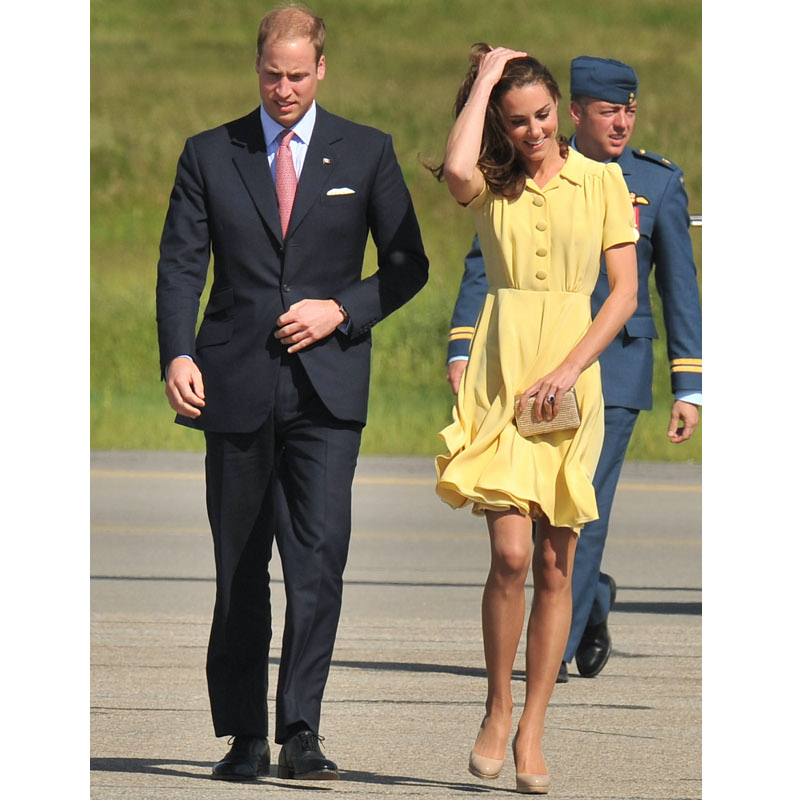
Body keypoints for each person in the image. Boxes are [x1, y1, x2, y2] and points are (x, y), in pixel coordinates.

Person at [156, 3, 428, 782]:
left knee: (316, 562)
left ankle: (301, 728)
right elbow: (181, 265)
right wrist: (178, 352)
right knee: (239, 564)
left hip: (327, 393)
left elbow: (408, 267)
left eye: (298, 75)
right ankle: (243, 734)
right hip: (233, 386)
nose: (284, 88)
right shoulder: (211, 153)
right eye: (273, 74)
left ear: (321, 70)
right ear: (257, 68)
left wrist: (342, 308)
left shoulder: (366, 152)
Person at [446, 56, 702, 683]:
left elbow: (674, 287)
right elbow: (483, 263)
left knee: (576, 527)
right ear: (580, 110)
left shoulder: (648, 183)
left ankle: (551, 655)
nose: (623, 121)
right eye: (610, 109)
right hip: (510, 367)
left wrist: (689, 382)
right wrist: (462, 346)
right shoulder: (504, 182)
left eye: (630, 110)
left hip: (607, 373)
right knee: (518, 543)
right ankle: (577, 615)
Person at [431, 44, 637, 793]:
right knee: (511, 555)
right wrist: (486, 79)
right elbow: (455, 170)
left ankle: (534, 728)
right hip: (502, 373)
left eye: (544, 114)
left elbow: (621, 295)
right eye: (516, 121)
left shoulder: (604, 182)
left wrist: (570, 370)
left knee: (557, 563)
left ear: (561, 109)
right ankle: (495, 706)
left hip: (571, 376)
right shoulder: (493, 184)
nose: (535, 130)